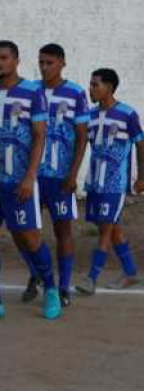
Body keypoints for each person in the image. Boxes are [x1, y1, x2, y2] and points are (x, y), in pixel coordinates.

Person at [0, 40, 61, 322]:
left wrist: (30, 177)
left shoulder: (33, 92)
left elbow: (39, 136)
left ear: (16, 61)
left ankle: (50, 288)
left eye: (3, 58)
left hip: (20, 181)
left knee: (29, 237)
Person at [28, 43, 88, 307]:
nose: (44, 67)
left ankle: (63, 286)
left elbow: (82, 136)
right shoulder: (30, 90)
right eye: (41, 62)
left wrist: (73, 173)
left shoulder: (75, 93)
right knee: (29, 229)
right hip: (31, 174)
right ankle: (37, 276)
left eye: (49, 62)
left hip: (60, 175)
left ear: (62, 63)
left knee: (62, 229)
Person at [75, 68, 143, 294]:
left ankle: (91, 278)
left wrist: (142, 177)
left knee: (105, 227)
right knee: (111, 227)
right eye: (90, 84)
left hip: (116, 184)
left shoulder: (127, 114)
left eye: (95, 85)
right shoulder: (90, 117)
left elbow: (141, 146)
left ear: (109, 88)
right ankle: (131, 273)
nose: (91, 89)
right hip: (95, 182)